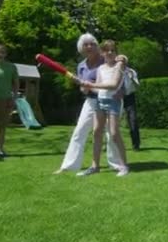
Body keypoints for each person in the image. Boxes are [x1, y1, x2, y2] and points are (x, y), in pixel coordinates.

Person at [53, 33, 124, 174]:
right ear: (82, 48)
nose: (90, 46)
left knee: (111, 134)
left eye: (92, 43)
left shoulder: (106, 59)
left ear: (97, 46)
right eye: (86, 44)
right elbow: (82, 86)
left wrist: (122, 88)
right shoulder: (81, 66)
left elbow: (122, 70)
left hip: (111, 100)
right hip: (91, 101)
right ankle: (68, 166)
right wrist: (84, 88)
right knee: (79, 131)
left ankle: (117, 165)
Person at [79, 40, 129, 177]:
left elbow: (113, 85)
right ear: (102, 53)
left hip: (114, 102)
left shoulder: (120, 66)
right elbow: (99, 89)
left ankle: (124, 166)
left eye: (113, 50)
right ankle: (95, 166)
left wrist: (92, 84)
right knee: (96, 132)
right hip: (100, 101)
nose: (110, 53)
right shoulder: (100, 68)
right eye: (107, 50)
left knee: (113, 133)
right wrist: (87, 87)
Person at [122, 62, 141, 151]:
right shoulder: (113, 70)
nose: (121, 63)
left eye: (123, 61)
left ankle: (136, 145)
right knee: (110, 122)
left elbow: (137, 86)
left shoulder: (131, 72)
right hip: (116, 97)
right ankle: (109, 145)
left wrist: (132, 78)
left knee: (133, 121)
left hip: (129, 97)